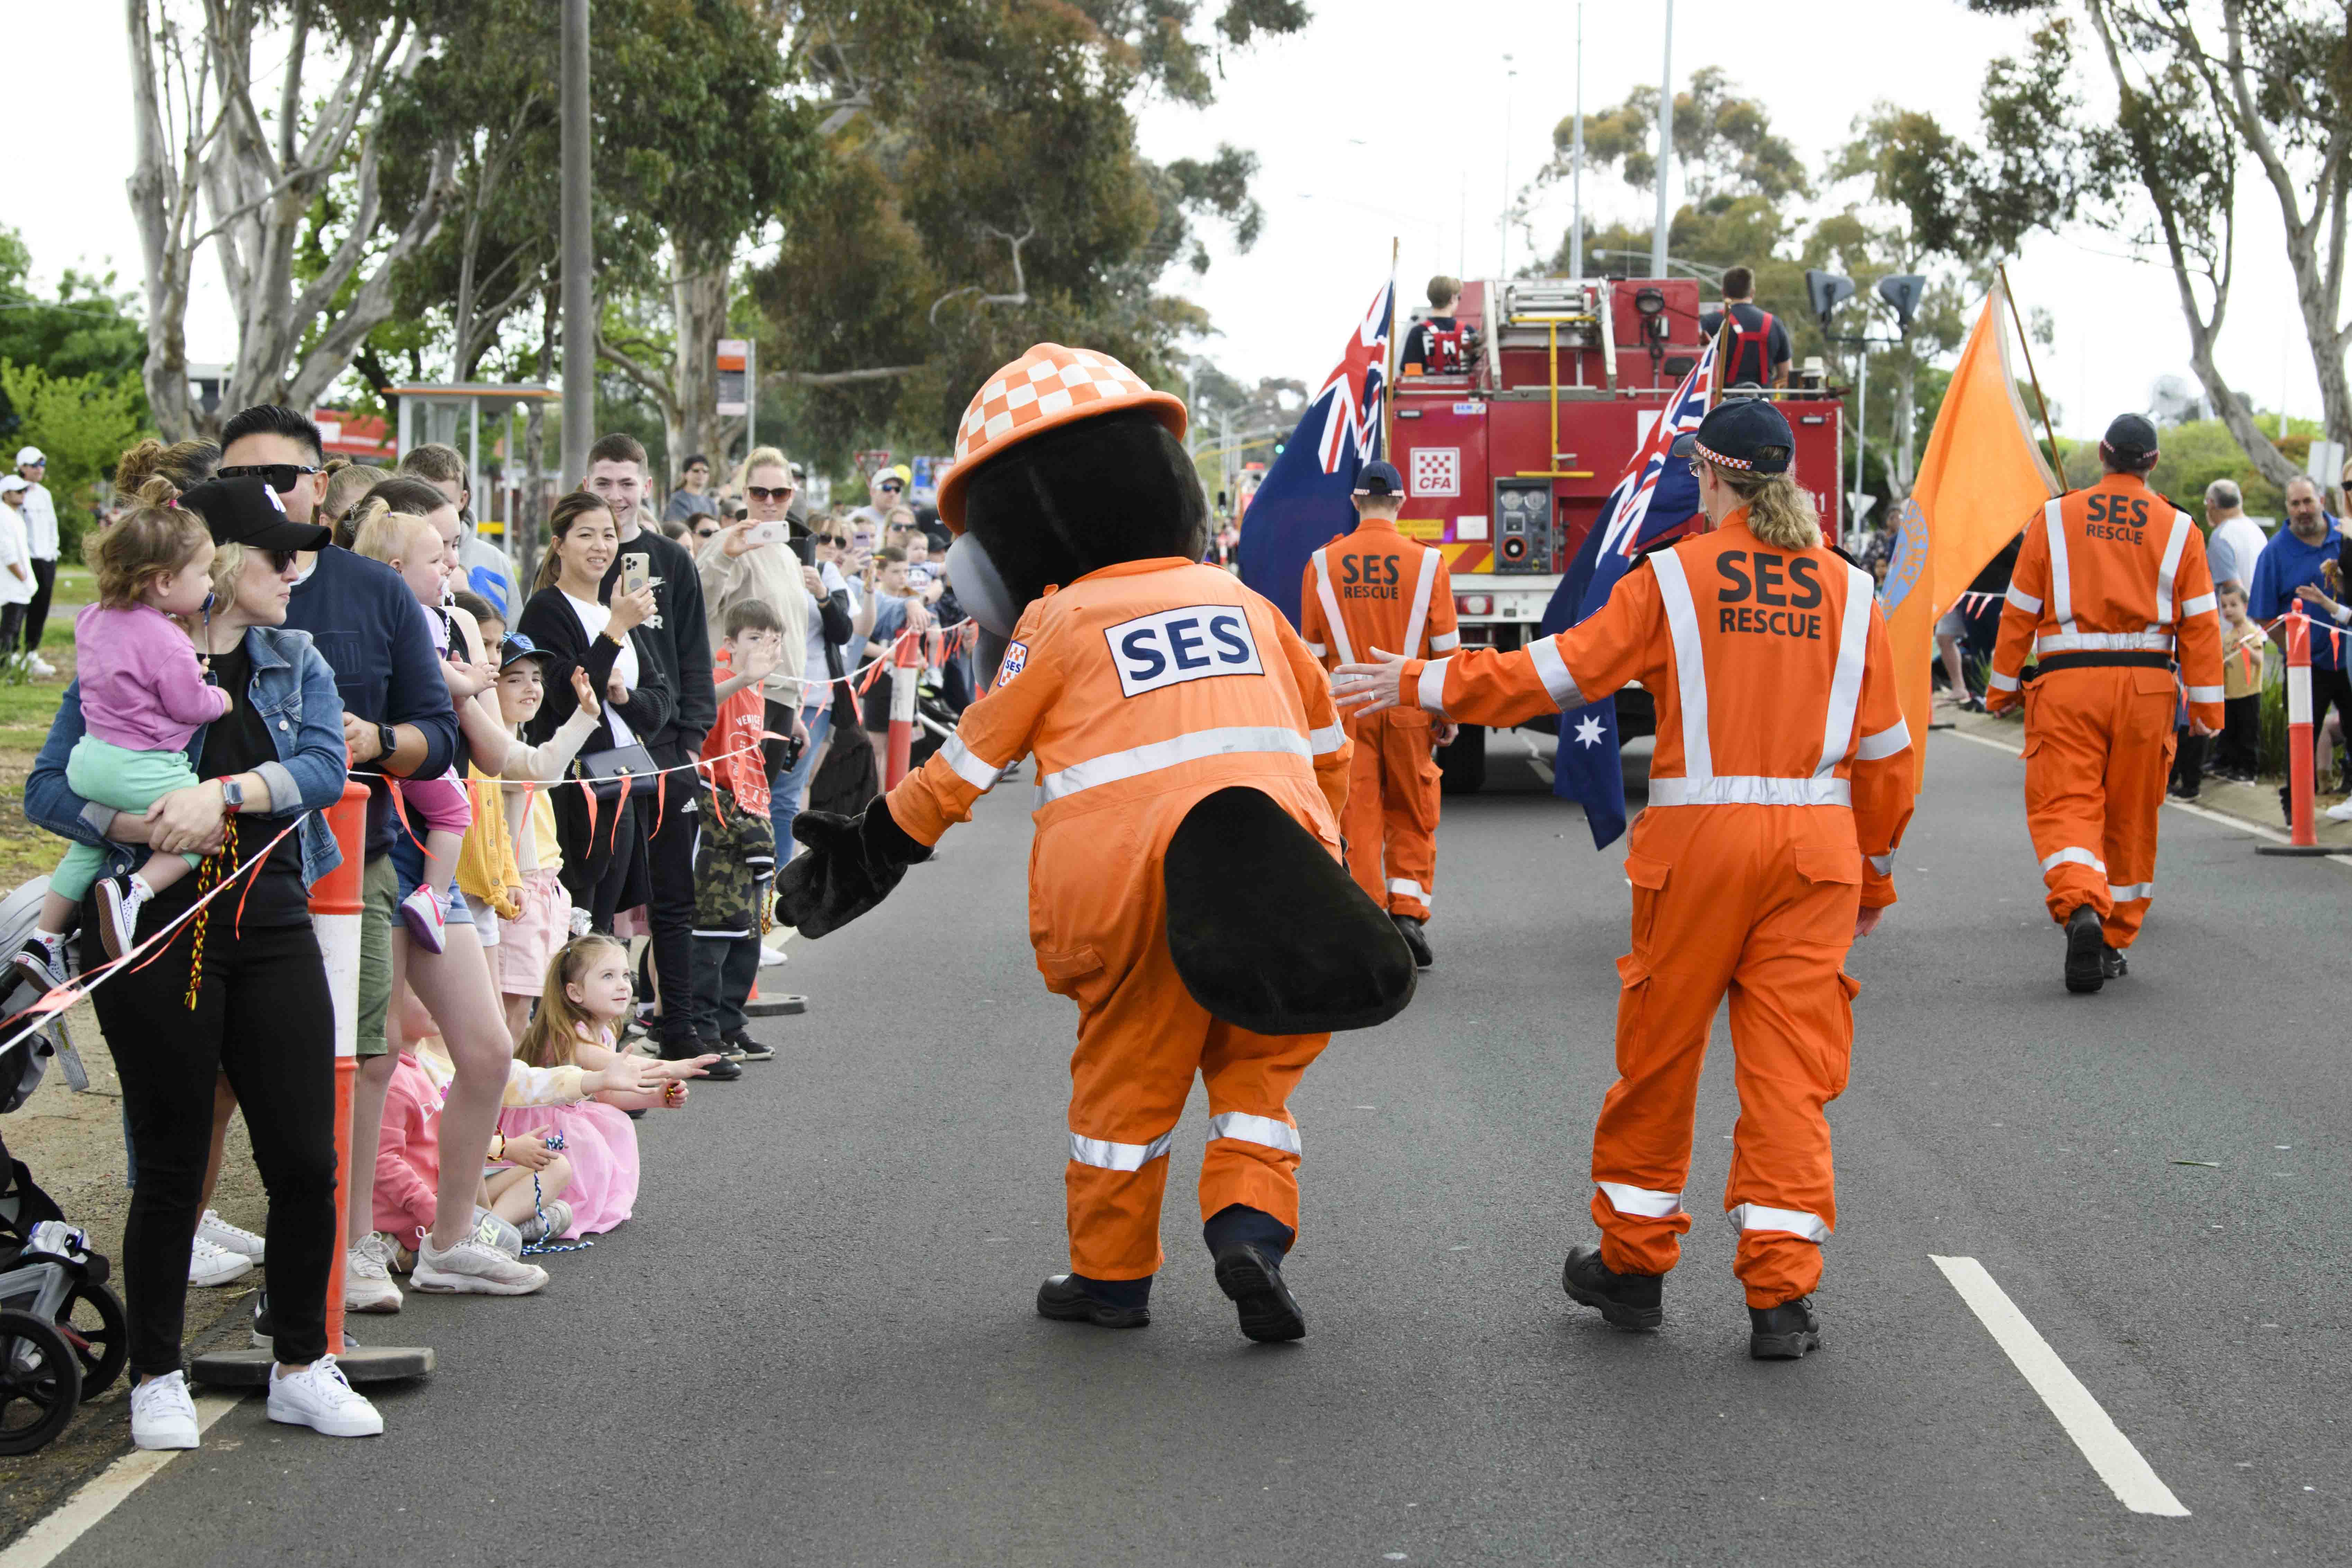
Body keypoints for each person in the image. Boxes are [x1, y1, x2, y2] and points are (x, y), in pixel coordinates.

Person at [778, 345, 1400, 1345]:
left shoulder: (1059, 621)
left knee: (1127, 1079)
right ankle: (1249, 1226)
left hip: (1123, 887)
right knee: (1260, 1063)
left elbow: (968, 765)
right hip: (1269, 864)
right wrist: (1337, 873)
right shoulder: (1248, 609)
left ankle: (1112, 1280)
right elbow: (1328, 750)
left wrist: (874, 848)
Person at [1334, 397, 1915, 1360]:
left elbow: (1553, 676)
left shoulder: (1672, 580)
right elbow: (1888, 756)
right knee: (1788, 1077)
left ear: (1715, 475)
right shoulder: (1853, 594)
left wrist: (1418, 682)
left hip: (1697, 853)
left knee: (1661, 1054)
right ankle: (1779, 1297)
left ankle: (1635, 1268)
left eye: (1697, 472)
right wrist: (1875, 878)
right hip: (1816, 856)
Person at [24, 476, 385, 1447]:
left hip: (269, 922)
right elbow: (45, 787)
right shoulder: (116, 646)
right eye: (277, 555)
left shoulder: (292, 656)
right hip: (155, 932)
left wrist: (222, 794)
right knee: (173, 1162)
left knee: (306, 1158)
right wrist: (132, 819)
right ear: (214, 565)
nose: (295, 572)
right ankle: (156, 1373)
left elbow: (322, 767)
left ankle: (304, 1363)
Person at [213, 407, 535, 1301]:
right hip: (260, 860)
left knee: (479, 1048)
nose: (271, 494)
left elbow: (441, 737)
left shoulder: (374, 592)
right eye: (248, 477)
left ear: (322, 485)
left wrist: (373, 740)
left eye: (288, 475)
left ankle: (447, 1237)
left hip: (385, 843)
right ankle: (338, 1246)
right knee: (358, 1052)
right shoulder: (211, 589)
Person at [1985, 413, 2224, 992]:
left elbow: (2019, 609)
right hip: (2147, 693)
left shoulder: (2054, 518)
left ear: (2102, 453)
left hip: (2067, 689)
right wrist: (2211, 712)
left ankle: (2080, 905)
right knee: (2131, 816)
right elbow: (2202, 627)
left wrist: (2000, 688)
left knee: (2067, 806)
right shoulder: (2181, 529)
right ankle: (2113, 939)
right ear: (2155, 463)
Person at [19, 494, 228, 979]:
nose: (212, 583)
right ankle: (134, 890)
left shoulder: (93, 618)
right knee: (201, 831)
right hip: (141, 767)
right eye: (205, 573)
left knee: (84, 848)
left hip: (90, 760)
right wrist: (220, 698)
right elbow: (190, 705)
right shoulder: (170, 640)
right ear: (164, 581)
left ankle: (43, 940)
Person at [582, 434, 715, 1065]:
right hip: (593, 751)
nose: (615, 497)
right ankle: (594, 1040)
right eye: (603, 483)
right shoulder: (569, 559)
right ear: (587, 485)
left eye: (626, 483)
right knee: (601, 896)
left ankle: (680, 1025)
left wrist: (691, 741)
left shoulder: (671, 559)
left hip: (664, 750)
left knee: (672, 897)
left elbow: (694, 657)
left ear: (646, 487)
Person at [1297, 458, 1459, 968]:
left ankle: (1369, 922)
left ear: (1354, 502)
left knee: (1357, 813)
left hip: (1348, 707)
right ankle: (1407, 914)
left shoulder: (1322, 563)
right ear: (1399, 502)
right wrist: (1447, 709)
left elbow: (1313, 651)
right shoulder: (1429, 563)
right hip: (1409, 700)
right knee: (1413, 808)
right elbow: (1446, 649)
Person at [512, 493, 673, 949]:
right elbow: (565, 694)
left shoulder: (617, 609)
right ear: (559, 544)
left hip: (624, 783)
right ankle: (562, 1018)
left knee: (602, 926)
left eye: (608, 535)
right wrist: (615, 630)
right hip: (577, 791)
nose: (600, 545)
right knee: (574, 924)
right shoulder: (548, 608)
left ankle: (594, 1016)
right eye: (586, 534)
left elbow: (660, 703)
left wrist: (624, 695)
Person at [506, 935, 715, 1238]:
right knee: (584, 1132)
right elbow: (618, 1068)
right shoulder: (569, 1034)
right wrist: (674, 1066)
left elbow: (605, 1093)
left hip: (565, 1115)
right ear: (575, 992)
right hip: (537, 1123)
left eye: (625, 975)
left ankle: (571, 1205)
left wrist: (657, 1098)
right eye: (608, 977)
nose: (623, 985)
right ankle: (544, 1207)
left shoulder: (603, 1031)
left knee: (610, 1120)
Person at [349, 507, 476, 953]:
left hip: (388, 749)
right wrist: (475, 682)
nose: (447, 568)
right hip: (412, 748)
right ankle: (435, 897)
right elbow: (437, 676)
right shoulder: (416, 616)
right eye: (436, 560)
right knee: (456, 812)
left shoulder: (370, 613)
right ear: (398, 571)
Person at [697, 447, 816, 860]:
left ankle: (753, 910)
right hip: (740, 699)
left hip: (780, 698)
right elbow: (699, 604)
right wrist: (727, 554)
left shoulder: (785, 552)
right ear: (742, 493)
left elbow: (790, 635)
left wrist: (794, 707)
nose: (769, 502)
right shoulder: (727, 543)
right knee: (735, 815)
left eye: (779, 493)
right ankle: (726, 912)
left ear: (792, 493)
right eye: (759, 492)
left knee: (761, 813)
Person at [484, 634, 602, 1039]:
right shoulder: (493, 750)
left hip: (545, 888)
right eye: (514, 679)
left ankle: (514, 1097)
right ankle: (503, 1101)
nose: (531, 687)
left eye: (536, 677)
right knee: (509, 1014)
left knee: (525, 1012)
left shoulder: (517, 742)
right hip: (519, 889)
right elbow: (543, 769)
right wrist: (584, 717)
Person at [693, 599, 784, 1059]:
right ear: (728, 644)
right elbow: (699, 713)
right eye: (753, 639)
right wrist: (743, 677)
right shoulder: (721, 679)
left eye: (771, 641)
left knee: (748, 930)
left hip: (754, 809)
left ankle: (731, 1023)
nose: (763, 649)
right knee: (715, 929)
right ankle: (703, 1026)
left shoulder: (757, 687)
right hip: (717, 814)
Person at [2248, 476, 2350, 817]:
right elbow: (2263, 616)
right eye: (2296, 504)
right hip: (2309, 665)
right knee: (2301, 737)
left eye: (2308, 501)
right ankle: (2297, 809)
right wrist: (2296, 651)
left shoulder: (2346, 536)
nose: (2304, 510)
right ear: (2288, 509)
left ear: (2321, 499)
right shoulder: (2275, 553)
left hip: (2350, 659)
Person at [398, 441, 521, 620]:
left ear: (463, 500)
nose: (434, 512)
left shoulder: (495, 561)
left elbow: (516, 637)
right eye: (423, 504)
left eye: (443, 501)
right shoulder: (387, 556)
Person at [1699, 266, 1792, 388]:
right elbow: (1785, 375)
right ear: (1753, 292)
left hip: (1722, 405)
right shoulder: (1775, 324)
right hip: (1764, 404)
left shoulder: (1708, 323)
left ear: (1723, 293)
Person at [2212, 581, 2266, 782]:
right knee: (2231, 732)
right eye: (2224, 606)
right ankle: (2231, 766)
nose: (2228, 610)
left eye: (2233, 605)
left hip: (2249, 692)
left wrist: (2246, 647)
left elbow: (2259, 659)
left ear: (2245, 607)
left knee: (2248, 734)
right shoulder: (2228, 636)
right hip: (2230, 693)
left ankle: (2249, 771)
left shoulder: (2251, 632)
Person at [13, 448, 57, 676]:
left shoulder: (44, 494)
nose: (40, 470)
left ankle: (32, 653)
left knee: (41, 608)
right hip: (25, 559)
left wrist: (53, 551)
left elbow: (52, 525)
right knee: (18, 607)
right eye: (35, 465)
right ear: (22, 467)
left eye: (42, 465)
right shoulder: (13, 492)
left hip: (46, 559)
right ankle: (11, 653)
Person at [2202, 479, 2269, 605]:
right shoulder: (2257, 531)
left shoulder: (2221, 537)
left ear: (2211, 503)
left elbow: (2235, 591)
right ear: (2240, 500)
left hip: (2236, 623)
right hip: (2260, 620)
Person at [0, 478, 37, 672]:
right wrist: (23, 578)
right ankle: (5, 664)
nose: (22, 494)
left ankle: (9, 660)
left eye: (24, 491)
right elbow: (7, 553)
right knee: (9, 626)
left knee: (14, 626)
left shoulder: (14, 515)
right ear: (6, 494)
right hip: (12, 582)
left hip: (19, 583)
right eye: (18, 491)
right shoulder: (4, 516)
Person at [1399, 275, 1471, 375]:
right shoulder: (1468, 331)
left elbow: (1411, 375)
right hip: (1465, 391)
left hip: (1427, 391)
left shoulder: (1418, 333)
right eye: (1459, 298)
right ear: (1452, 299)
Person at [665, 453, 719, 525]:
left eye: (705, 471)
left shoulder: (711, 503)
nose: (701, 474)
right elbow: (679, 529)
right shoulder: (677, 500)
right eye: (696, 471)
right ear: (685, 475)